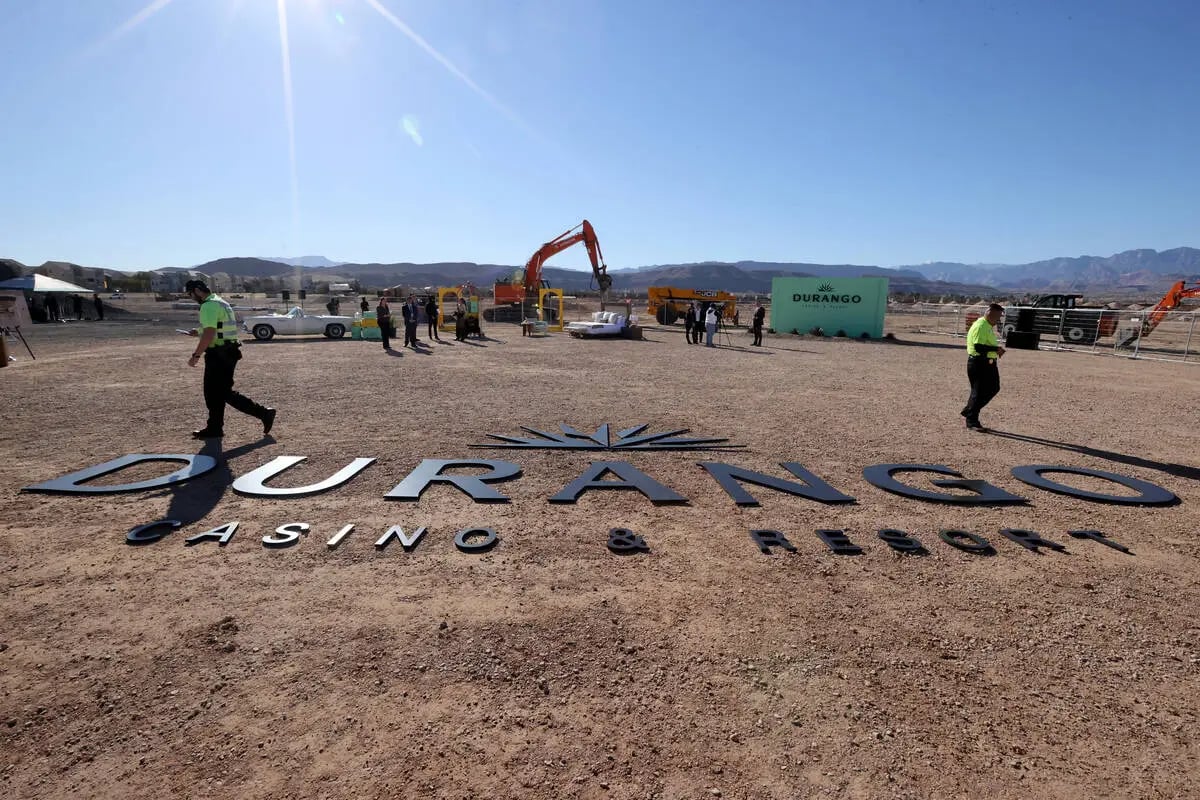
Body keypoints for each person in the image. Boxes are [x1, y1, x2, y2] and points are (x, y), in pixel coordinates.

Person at [183, 279, 275, 440]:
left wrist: (195, 356)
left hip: (219, 354)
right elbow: (217, 328)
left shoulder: (208, 305)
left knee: (220, 392)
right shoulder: (220, 302)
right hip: (228, 351)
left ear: (197, 291)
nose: (191, 298)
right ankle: (215, 428)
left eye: (191, 294)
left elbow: (210, 333)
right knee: (215, 393)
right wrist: (198, 331)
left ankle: (263, 413)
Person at [962, 303, 1006, 432]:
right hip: (979, 362)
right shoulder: (981, 325)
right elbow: (978, 347)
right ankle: (972, 420)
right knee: (978, 391)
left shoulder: (987, 325)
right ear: (990, 314)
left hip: (988, 362)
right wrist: (996, 348)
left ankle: (969, 410)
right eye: (997, 317)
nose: (998, 320)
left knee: (993, 388)